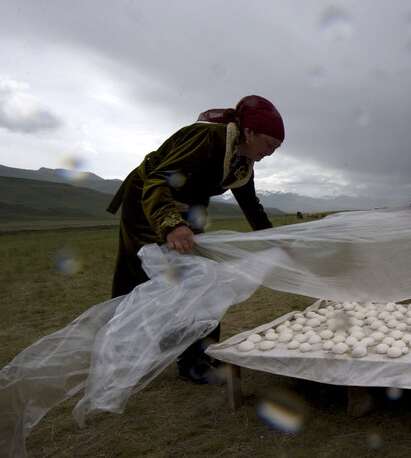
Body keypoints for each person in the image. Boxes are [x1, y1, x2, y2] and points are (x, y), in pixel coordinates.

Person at [106, 95, 284, 383]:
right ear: (249, 132)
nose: (270, 152)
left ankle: (195, 358)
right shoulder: (206, 139)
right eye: (269, 145)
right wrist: (170, 225)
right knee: (138, 276)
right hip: (148, 204)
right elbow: (158, 179)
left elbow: (251, 205)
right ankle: (120, 353)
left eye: (276, 148)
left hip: (188, 210)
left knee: (200, 279)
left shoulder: (242, 161)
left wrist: (274, 238)